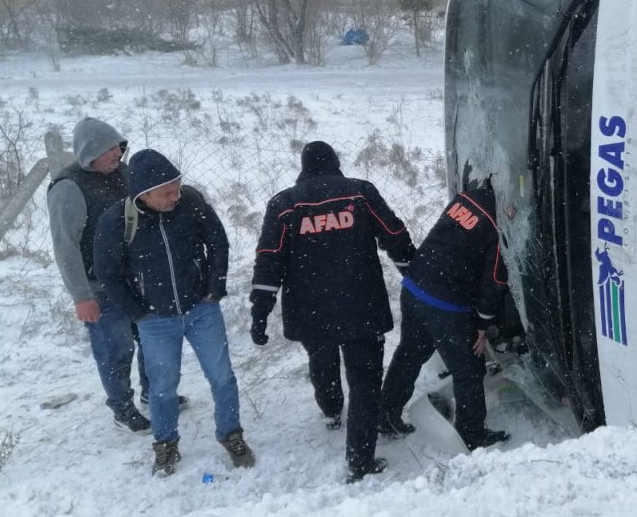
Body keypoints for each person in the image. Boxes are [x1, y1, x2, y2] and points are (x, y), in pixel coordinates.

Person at [249, 141, 414, 483]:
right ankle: (360, 459)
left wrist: (260, 310)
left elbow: (269, 259)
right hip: (361, 306)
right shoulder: (360, 193)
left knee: (321, 360)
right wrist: (415, 275)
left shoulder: (284, 204)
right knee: (366, 381)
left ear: (303, 167)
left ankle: (331, 409)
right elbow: (394, 235)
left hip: (311, 312)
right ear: (336, 164)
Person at [93, 149, 253, 477]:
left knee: (222, 377)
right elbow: (106, 273)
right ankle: (166, 445)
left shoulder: (191, 201)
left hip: (201, 309)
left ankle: (231, 434)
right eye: (167, 193)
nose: (175, 197)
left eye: (177, 188)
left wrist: (215, 287)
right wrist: (137, 312)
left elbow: (218, 241)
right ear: (144, 194)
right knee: (163, 386)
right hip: (155, 320)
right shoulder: (117, 220)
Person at [381, 176, 511, 452]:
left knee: (410, 352)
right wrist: (482, 323)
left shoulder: (467, 198)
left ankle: (386, 415)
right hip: (444, 302)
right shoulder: (501, 223)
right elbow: (496, 280)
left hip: (415, 286)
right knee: (469, 368)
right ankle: (472, 433)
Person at [47, 117, 158, 433]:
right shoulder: (68, 188)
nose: (118, 154)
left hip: (137, 278)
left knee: (152, 338)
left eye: (119, 147)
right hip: (99, 286)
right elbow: (64, 246)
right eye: (110, 149)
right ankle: (122, 408)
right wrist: (81, 296)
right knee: (116, 348)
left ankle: (155, 392)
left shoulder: (124, 173)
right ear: (89, 151)